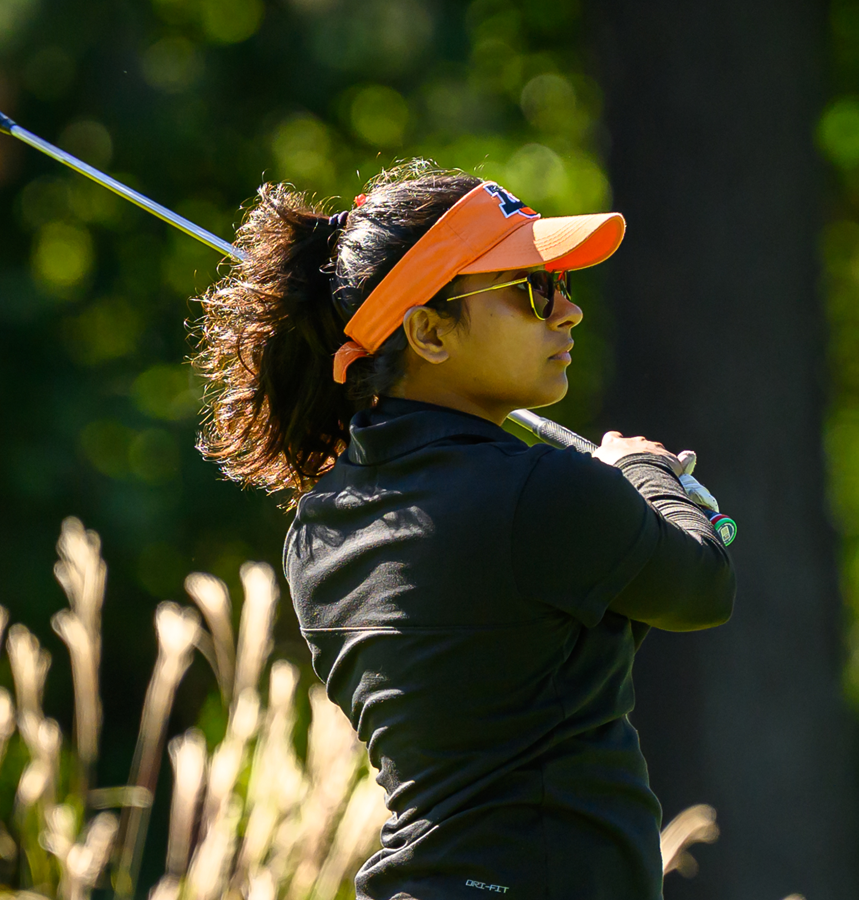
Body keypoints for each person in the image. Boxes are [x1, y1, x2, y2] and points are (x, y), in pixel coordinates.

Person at [195, 160, 735, 900]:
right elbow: (702, 584)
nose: (566, 312)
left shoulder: (316, 529)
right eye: (531, 289)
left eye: (562, 289)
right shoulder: (541, 493)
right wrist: (648, 475)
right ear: (428, 332)